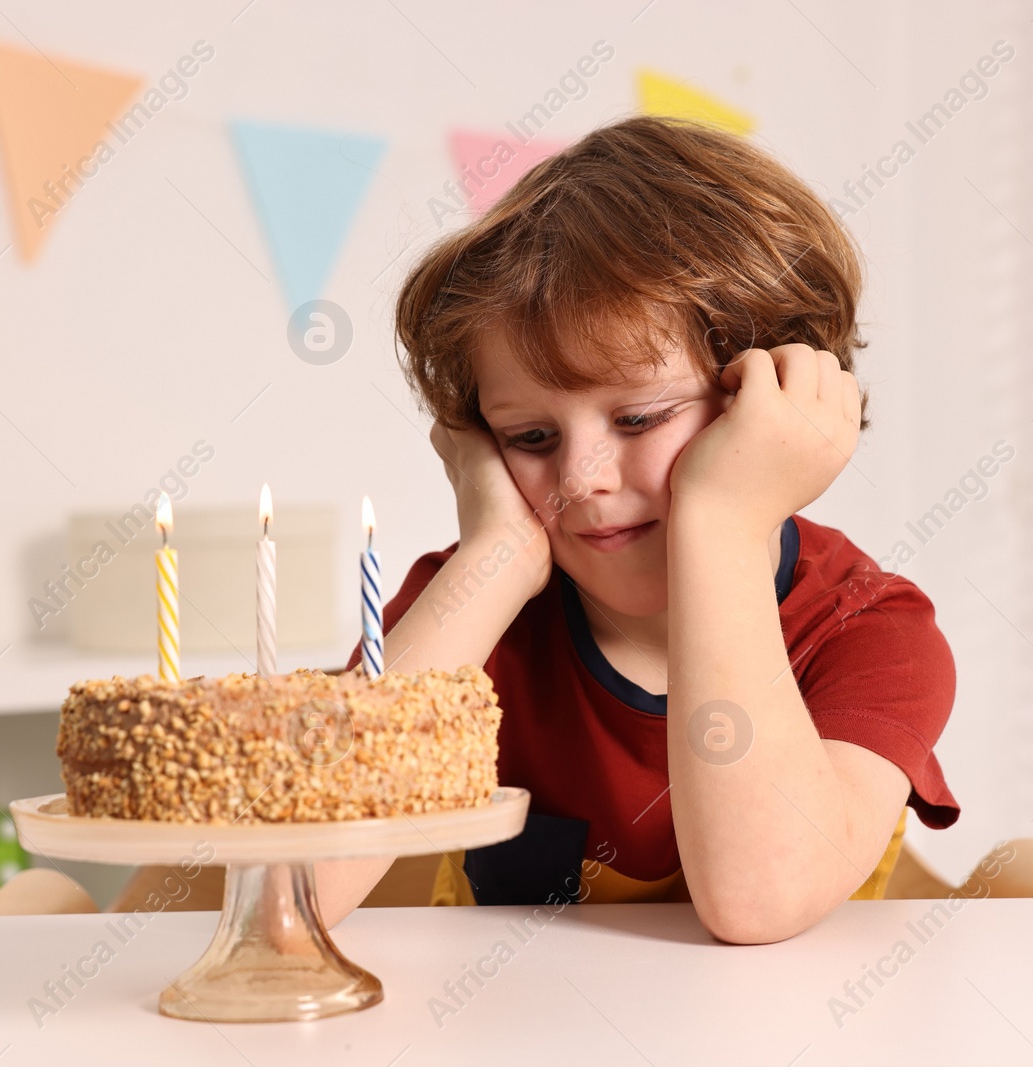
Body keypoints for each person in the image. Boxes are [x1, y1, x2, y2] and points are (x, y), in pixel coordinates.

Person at [316, 114, 959, 944]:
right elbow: (283, 891)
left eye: (639, 416)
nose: (582, 479)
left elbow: (756, 899)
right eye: (531, 438)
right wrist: (495, 557)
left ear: (772, 401)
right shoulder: (472, 610)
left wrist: (721, 522)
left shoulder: (870, 631)